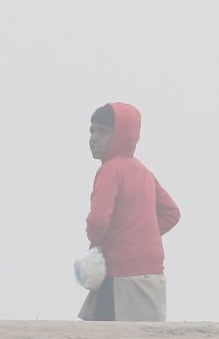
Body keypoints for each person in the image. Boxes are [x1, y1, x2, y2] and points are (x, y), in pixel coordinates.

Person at [78, 102, 180, 322]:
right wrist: (140, 236)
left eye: (103, 132)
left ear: (122, 136)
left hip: (121, 276)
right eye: (92, 131)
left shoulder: (110, 171)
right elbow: (171, 213)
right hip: (152, 276)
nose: (94, 138)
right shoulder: (143, 172)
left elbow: (97, 221)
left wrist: (102, 241)